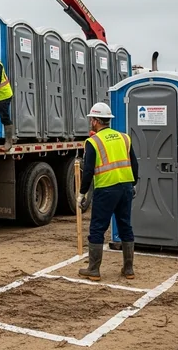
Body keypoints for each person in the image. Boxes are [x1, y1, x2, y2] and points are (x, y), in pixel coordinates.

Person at [77, 102, 139, 282]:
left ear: (96, 121)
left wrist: (82, 193)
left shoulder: (93, 142)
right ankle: (129, 269)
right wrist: (134, 183)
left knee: (97, 228)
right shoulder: (124, 138)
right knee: (125, 226)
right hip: (125, 187)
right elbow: (134, 163)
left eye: (92, 119)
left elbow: (88, 171)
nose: (91, 122)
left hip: (106, 189)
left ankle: (93, 269)